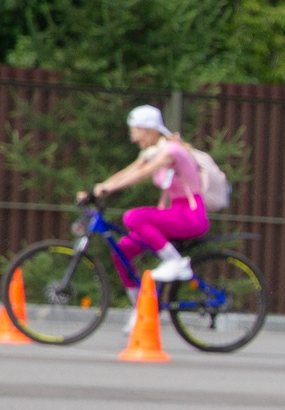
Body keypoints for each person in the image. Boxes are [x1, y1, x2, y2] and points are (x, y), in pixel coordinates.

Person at [82, 106, 210, 285]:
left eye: (135, 132)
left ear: (149, 131)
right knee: (123, 251)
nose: (133, 139)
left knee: (134, 217)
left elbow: (142, 174)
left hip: (191, 215)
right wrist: (101, 187)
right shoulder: (153, 151)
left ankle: (176, 263)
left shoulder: (172, 151)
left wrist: (108, 190)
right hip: (176, 213)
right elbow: (130, 171)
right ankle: (140, 309)